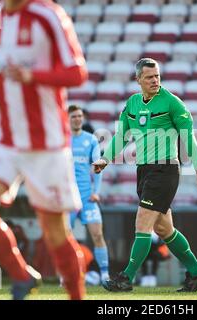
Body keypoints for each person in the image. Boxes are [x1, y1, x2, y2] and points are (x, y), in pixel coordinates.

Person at [0, 0, 88, 300]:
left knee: (55, 233)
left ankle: (76, 297)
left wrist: (34, 77)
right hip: (1, 137)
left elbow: (77, 73)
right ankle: (22, 275)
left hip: (46, 143)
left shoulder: (48, 16)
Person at [93, 58, 197, 292]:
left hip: (165, 170)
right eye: (149, 77)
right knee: (164, 229)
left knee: (142, 222)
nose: (155, 80)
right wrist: (105, 159)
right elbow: (121, 136)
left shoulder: (172, 103)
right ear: (138, 79)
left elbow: (189, 138)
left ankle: (126, 278)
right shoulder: (132, 103)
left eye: (157, 76)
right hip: (144, 171)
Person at [68, 104, 110, 283]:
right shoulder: (62, 140)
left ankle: (105, 274)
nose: (77, 119)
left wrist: (96, 192)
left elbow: (97, 166)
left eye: (79, 116)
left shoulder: (91, 140)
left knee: (98, 234)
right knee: (65, 239)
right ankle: (67, 275)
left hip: (87, 196)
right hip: (68, 197)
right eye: (74, 116)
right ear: (67, 119)